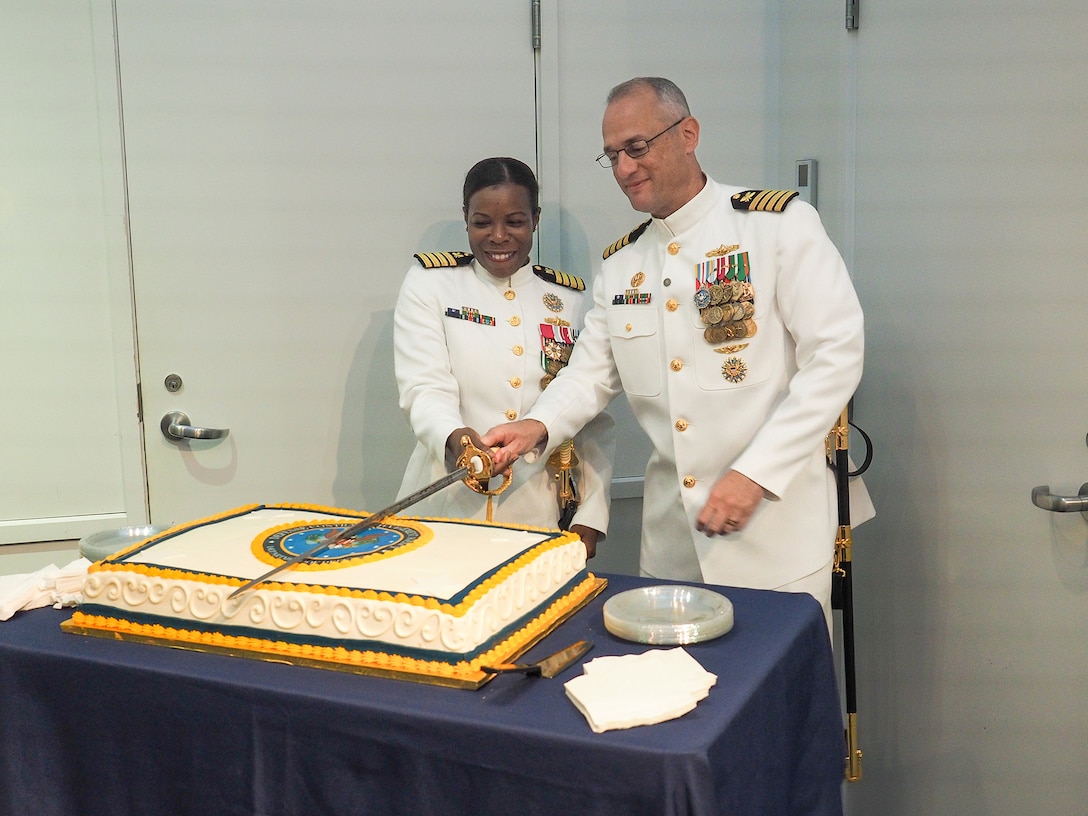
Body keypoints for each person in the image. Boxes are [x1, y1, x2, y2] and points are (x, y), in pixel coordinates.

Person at [481, 78, 865, 623]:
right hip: (672, 542)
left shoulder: (775, 227)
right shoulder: (622, 265)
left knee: (776, 695)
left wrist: (754, 474)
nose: (623, 169)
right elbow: (590, 373)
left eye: (636, 148)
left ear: (689, 134)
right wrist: (535, 427)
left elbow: (837, 355)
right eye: (612, 155)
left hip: (774, 529)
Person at [393, 157, 614, 556]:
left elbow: (589, 416)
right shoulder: (431, 285)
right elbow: (423, 388)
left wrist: (591, 515)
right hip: (446, 508)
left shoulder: (570, 300)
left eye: (514, 222)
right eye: (482, 223)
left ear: (535, 219)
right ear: (465, 218)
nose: (498, 236)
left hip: (541, 515)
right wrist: (457, 440)